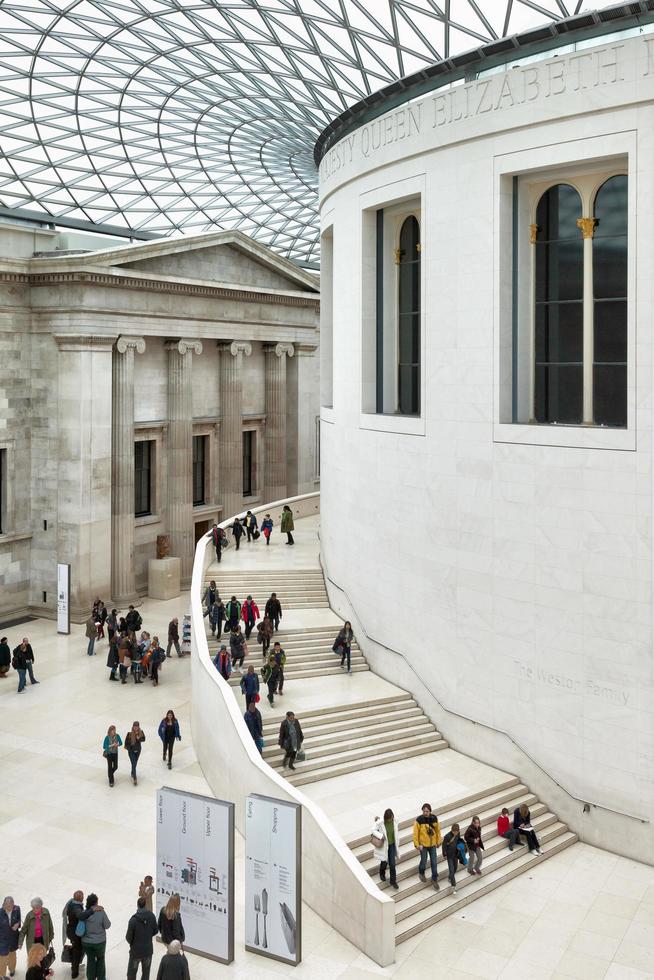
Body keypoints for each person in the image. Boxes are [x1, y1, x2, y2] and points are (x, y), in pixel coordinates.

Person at [125, 897, 158, 980]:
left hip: (135, 952)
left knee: (131, 974)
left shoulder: (133, 920)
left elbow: (128, 937)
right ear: (145, 905)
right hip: (148, 951)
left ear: (137, 905)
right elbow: (155, 931)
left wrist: (133, 944)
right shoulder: (152, 916)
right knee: (146, 974)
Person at [79, 895, 110, 980]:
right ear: (96, 902)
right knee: (100, 958)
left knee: (90, 959)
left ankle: (91, 978)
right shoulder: (101, 912)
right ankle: (101, 978)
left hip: (86, 942)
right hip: (100, 942)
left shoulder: (85, 913)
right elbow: (107, 925)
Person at [413, 803, 442, 890]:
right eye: (424, 811)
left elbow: (438, 831)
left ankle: (434, 879)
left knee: (434, 862)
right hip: (423, 845)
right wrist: (417, 845)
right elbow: (415, 834)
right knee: (424, 860)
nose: (425, 813)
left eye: (427, 811)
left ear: (430, 811)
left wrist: (438, 841)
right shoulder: (419, 820)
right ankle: (421, 872)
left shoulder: (434, 818)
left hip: (432, 845)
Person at [372, 809, 399, 890]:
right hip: (384, 845)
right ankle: (382, 873)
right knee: (384, 861)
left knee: (392, 864)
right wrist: (381, 835)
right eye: (389, 818)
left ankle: (393, 881)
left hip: (392, 845)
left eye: (392, 817)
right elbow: (372, 830)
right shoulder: (381, 823)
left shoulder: (395, 821)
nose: (391, 819)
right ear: (386, 818)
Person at [62, 891, 84, 979]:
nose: (83, 898)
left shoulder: (71, 903)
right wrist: (90, 911)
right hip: (75, 933)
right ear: (80, 898)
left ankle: (74, 966)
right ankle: (75, 973)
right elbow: (81, 916)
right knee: (77, 951)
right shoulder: (77, 908)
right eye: (82, 896)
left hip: (71, 931)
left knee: (76, 949)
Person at [0, 895, 21, 978]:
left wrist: (18, 924)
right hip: (2, 940)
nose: (9, 908)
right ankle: (2, 976)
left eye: (11, 906)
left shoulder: (17, 909)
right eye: (7, 906)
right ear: (4, 904)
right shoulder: (0, 913)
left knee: (12, 955)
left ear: (13, 904)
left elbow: (19, 919)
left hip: (13, 938)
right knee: (3, 958)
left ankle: (12, 970)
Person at [442, 824, 465, 893]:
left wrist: (460, 846)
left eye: (456, 832)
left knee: (455, 868)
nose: (455, 833)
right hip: (449, 856)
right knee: (451, 870)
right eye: (454, 831)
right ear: (451, 830)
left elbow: (458, 841)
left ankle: (450, 877)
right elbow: (443, 845)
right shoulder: (447, 836)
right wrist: (444, 854)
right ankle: (453, 885)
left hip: (455, 854)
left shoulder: (458, 834)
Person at [125, 721, 146, 786]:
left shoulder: (141, 733)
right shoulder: (129, 734)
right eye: (135, 726)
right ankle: (135, 778)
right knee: (134, 763)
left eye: (137, 726)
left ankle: (132, 772)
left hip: (138, 750)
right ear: (133, 727)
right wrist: (130, 748)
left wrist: (139, 739)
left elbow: (144, 739)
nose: (136, 728)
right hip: (131, 751)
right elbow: (126, 743)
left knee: (135, 763)